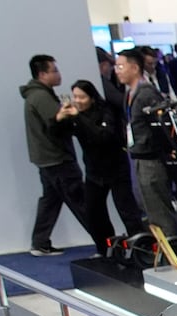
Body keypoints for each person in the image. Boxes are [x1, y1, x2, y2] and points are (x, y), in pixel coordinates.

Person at [20, 54, 91, 256]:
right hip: (57, 158)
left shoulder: (37, 95)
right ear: (42, 74)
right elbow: (56, 123)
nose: (59, 74)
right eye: (54, 70)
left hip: (46, 159)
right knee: (81, 201)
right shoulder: (41, 97)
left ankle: (40, 242)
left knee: (51, 200)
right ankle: (103, 240)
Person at [60, 79, 139, 252]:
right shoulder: (75, 116)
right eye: (75, 97)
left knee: (127, 210)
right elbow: (58, 133)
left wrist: (78, 118)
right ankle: (105, 248)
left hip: (116, 168)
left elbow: (104, 136)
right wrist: (58, 119)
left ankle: (141, 247)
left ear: (92, 97)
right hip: (94, 172)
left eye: (82, 97)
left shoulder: (106, 111)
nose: (78, 101)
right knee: (94, 213)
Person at [117, 47, 177, 239]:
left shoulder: (146, 93)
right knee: (150, 206)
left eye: (121, 66)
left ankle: (171, 246)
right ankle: (164, 244)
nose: (117, 70)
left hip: (152, 159)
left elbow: (162, 127)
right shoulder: (131, 93)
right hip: (140, 156)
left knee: (158, 207)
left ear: (135, 68)